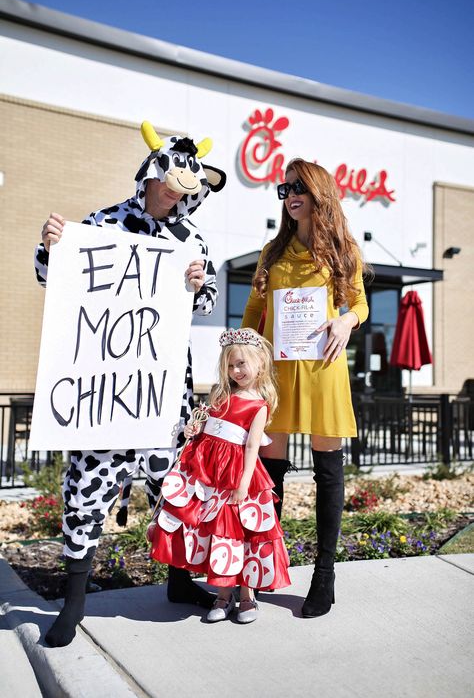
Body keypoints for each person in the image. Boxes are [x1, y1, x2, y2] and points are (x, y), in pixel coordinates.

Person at [34, 122, 226, 646]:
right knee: (86, 493)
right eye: (168, 182)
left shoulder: (190, 239)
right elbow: (52, 277)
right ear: (150, 174)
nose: (173, 193)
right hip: (104, 392)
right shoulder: (103, 223)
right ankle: (73, 604)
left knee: (176, 492)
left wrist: (195, 285)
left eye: (184, 188)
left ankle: (180, 584)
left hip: (163, 393)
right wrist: (53, 245)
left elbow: (206, 301)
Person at [241, 159, 368, 618]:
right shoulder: (272, 253)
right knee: (267, 476)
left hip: (323, 370)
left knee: (327, 473)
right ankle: (263, 568)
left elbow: (359, 302)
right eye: (285, 187)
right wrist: (241, 363)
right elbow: (254, 310)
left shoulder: (342, 251)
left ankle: (324, 575)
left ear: (320, 193)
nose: (291, 194)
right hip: (276, 373)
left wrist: (346, 321)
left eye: (299, 187)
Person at [149, 328, 291, 624]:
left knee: (241, 532)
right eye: (230, 365)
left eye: (241, 364)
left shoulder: (258, 405)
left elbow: (252, 446)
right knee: (218, 534)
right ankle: (223, 594)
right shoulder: (220, 394)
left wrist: (242, 485)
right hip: (209, 471)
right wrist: (193, 430)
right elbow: (206, 427)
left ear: (260, 364)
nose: (236, 370)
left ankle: (247, 595)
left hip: (238, 474)